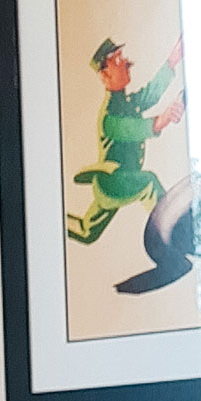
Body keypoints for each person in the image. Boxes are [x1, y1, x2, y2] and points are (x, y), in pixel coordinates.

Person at [66, 37, 185, 247]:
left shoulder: (128, 103)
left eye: (122, 57)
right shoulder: (109, 117)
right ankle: (172, 231)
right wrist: (163, 119)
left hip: (115, 182)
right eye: (117, 61)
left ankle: (58, 220)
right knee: (148, 183)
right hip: (114, 183)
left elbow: (150, 94)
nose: (125, 63)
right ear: (105, 75)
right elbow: (132, 129)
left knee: (87, 232)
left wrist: (172, 61)